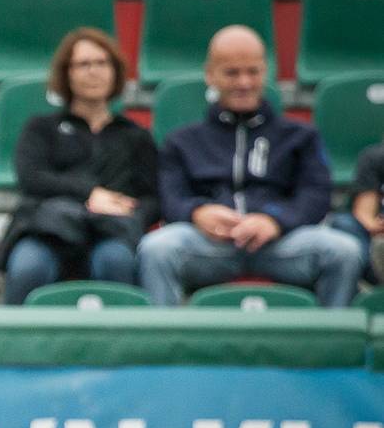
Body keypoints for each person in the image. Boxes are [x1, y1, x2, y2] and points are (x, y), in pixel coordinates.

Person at [139, 25, 363, 307]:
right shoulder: (182, 141)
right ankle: (163, 346)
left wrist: (274, 220)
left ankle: (335, 345)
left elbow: (316, 194)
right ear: (210, 74)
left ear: (265, 71)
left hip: (281, 242)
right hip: (207, 243)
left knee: (344, 251)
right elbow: (170, 196)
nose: (244, 82)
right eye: (232, 72)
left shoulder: (300, 136)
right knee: (156, 249)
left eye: (252, 71)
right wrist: (199, 212)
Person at [0, 28, 158, 305]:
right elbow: (31, 178)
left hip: (112, 232)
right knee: (28, 267)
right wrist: (91, 195)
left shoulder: (135, 136)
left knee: (116, 262)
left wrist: (133, 214)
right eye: (83, 64)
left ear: (115, 71)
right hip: (50, 229)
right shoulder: (42, 128)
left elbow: (153, 196)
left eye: (102, 63)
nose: (94, 71)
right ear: (66, 73)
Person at [329, 140, 384, 285]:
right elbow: (365, 214)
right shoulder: (376, 157)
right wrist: (376, 226)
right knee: (343, 224)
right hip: (377, 235)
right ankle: (368, 280)